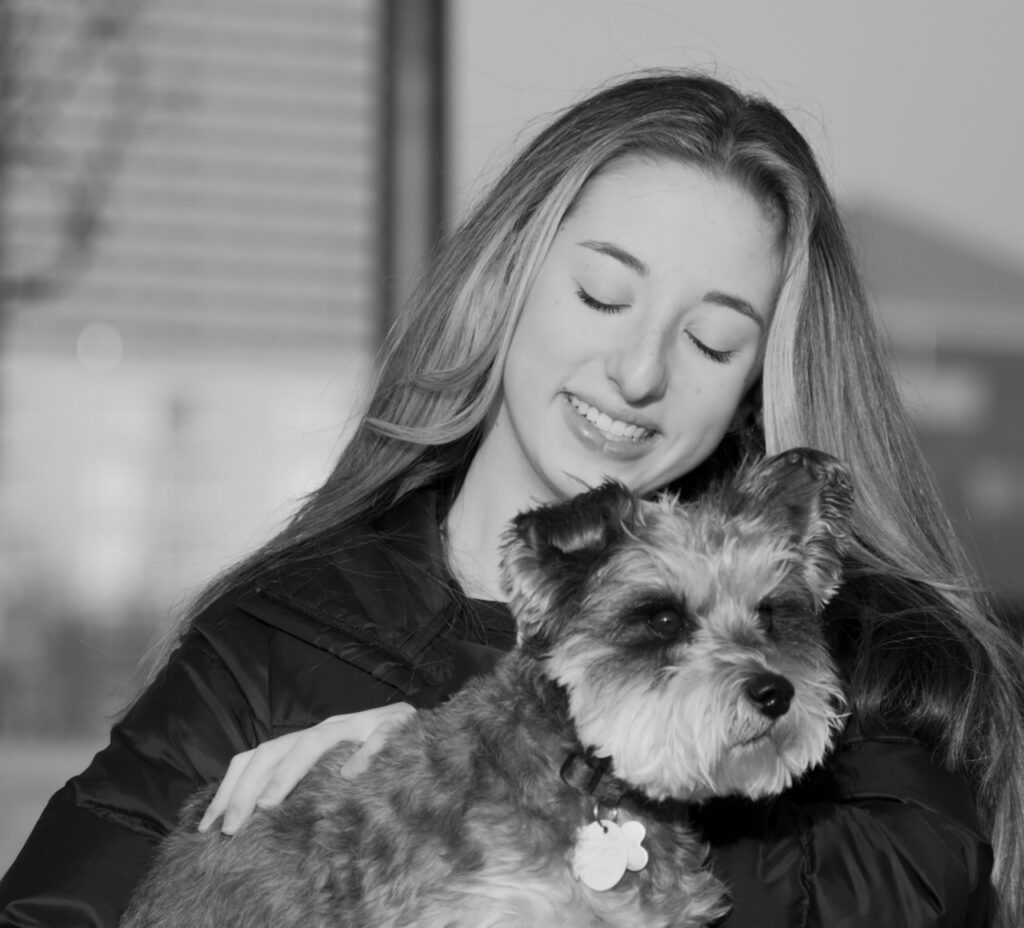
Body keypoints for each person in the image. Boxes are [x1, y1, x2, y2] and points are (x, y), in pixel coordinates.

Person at [1, 70, 1020, 928]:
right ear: (508, 279)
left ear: (757, 377)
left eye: (711, 340)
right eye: (602, 296)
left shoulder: (859, 637)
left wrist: (488, 781)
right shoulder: (277, 633)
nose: (636, 371)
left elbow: (909, 880)